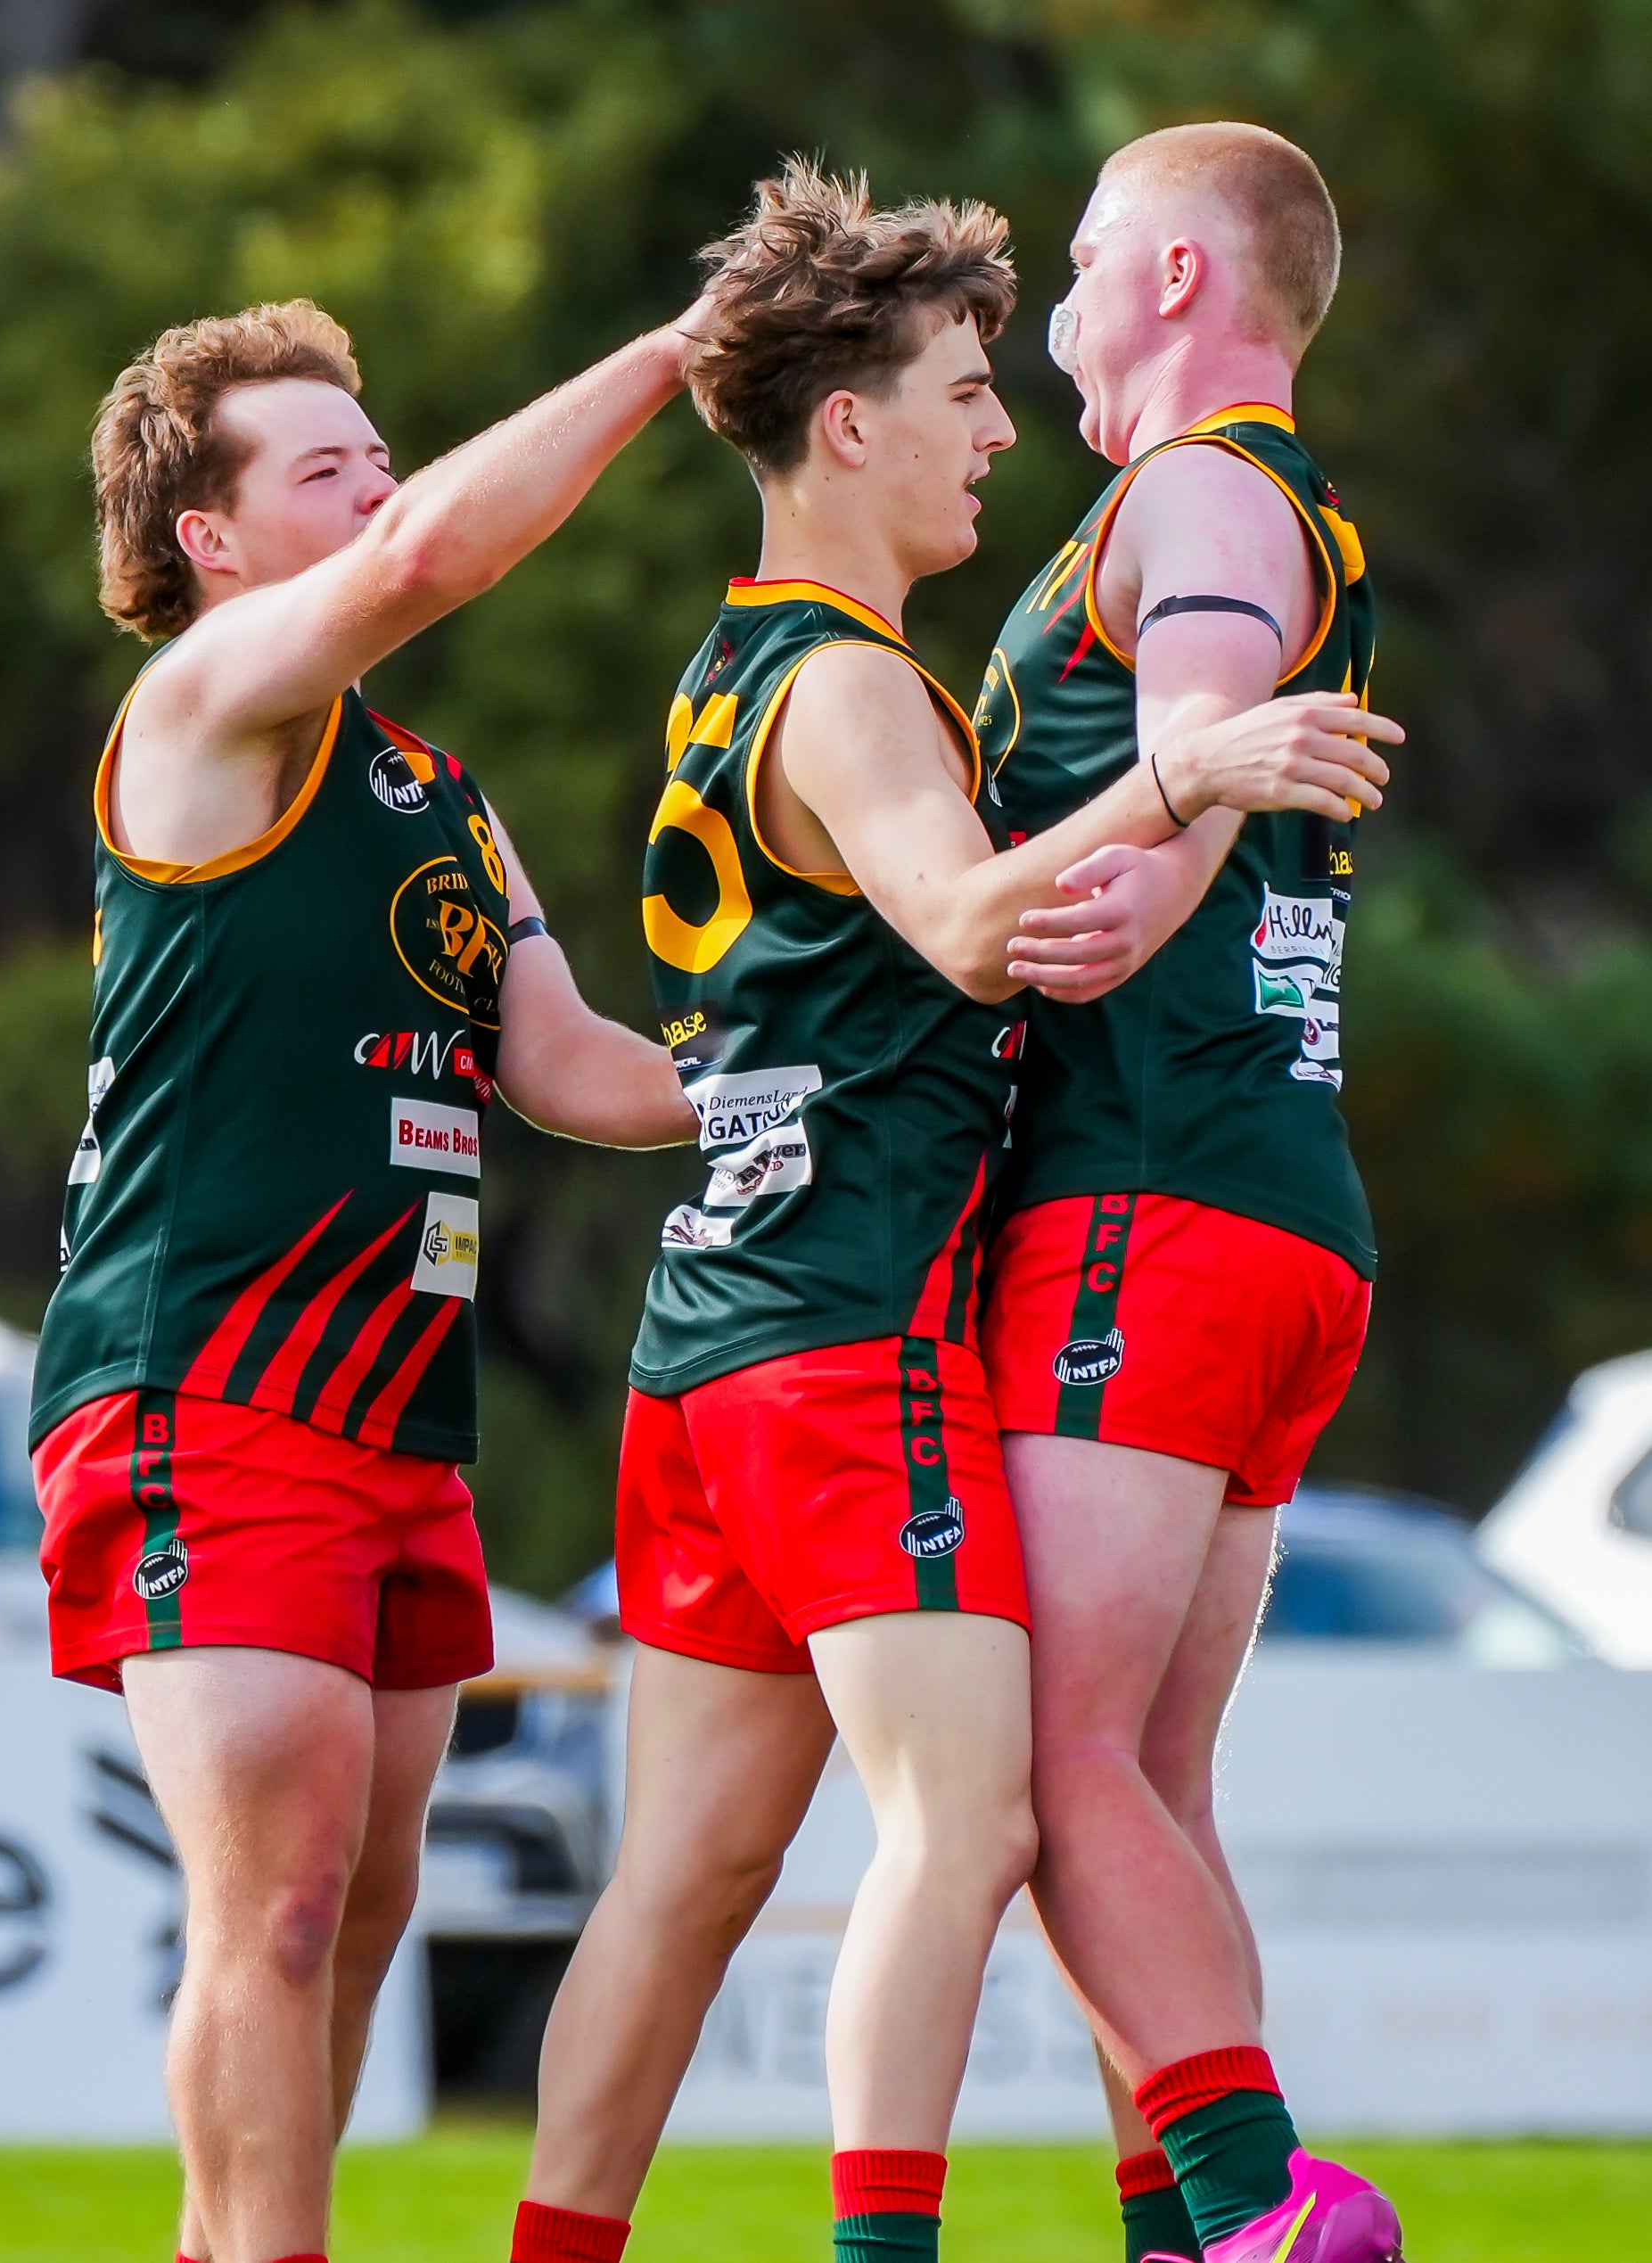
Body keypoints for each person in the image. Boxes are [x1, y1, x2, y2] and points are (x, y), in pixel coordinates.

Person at [505, 162, 1395, 2263]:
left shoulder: (736, 672)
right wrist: (1181, 788)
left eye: (1048, 317)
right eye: (962, 385)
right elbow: (988, 921)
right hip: (897, 1316)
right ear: (849, 426)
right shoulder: (865, 673)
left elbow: (681, 1057)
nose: (1002, 417)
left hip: (733, 1320)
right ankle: (1215, 2212)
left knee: (733, 1868)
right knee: (1029, 1798)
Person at [29, 298, 706, 2263]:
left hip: (398, 1422)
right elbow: (433, 560)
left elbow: (570, 1064)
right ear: (209, 545)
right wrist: (677, 347)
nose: (383, 489)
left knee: (364, 1911)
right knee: (285, 1909)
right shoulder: (203, 709)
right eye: (321, 466)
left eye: (380, 449)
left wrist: (817, 1071)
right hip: (201, 1390)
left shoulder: (430, 783)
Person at [975, 125, 1406, 2263]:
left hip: (1148, 1200)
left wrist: (1114, 901)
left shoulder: (1196, 489)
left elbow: (1202, 737)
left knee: (1046, 1776)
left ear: (1165, 277)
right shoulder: (1266, 493)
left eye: (1069, 264)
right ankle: (1192, 2239)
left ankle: (1266, 2203)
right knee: (1140, 1782)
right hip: (1267, 1210)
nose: (1045, 309)